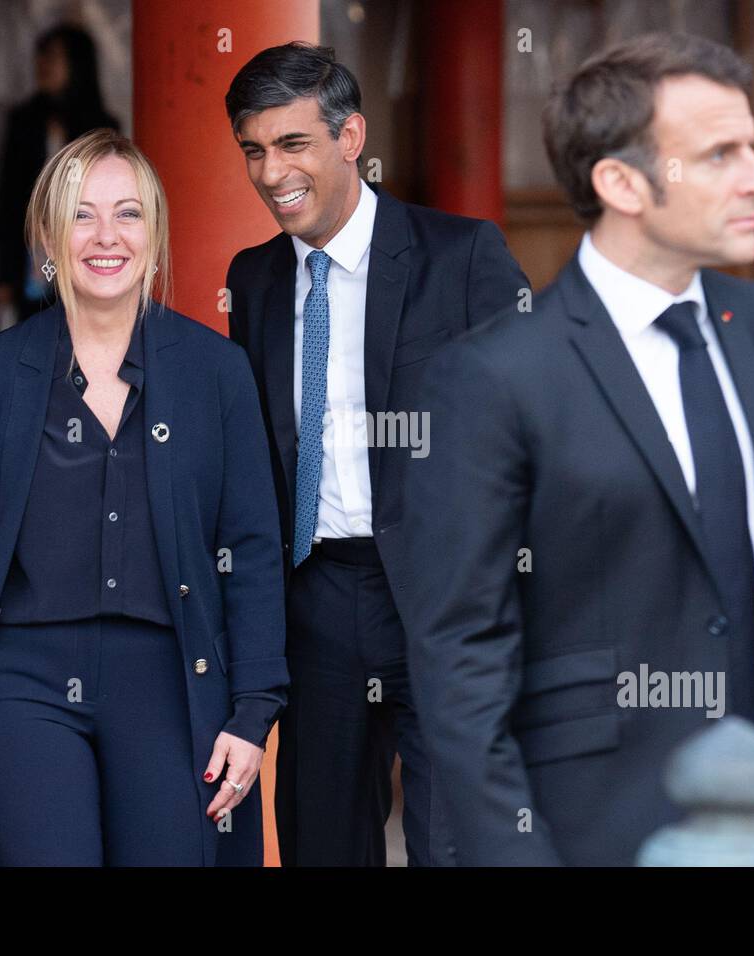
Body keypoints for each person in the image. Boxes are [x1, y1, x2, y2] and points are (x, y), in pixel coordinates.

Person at [400, 32, 754, 866]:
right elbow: (461, 672)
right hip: (604, 816)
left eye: (753, 146)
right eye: (722, 155)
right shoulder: (491, 376)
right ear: (621, 183)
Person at [0, 129, 287, 865]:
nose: (106, 236)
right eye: (82, 214)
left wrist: (254, 709)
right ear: (48, 233)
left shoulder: (217, 372)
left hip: (170, 681)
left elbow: (255, 549)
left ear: (156, 233)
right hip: (18, 680)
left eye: (128, 214)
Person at [223, 42, 529, 866]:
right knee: (322, 843)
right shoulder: (252, 281)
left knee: (454, 844)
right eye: (253, 150)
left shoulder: (461, 257)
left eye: (292, 145)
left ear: (351, 136)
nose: (270, 172)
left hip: (443, 600)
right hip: (315, 600)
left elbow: (537, 431)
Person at [0, 24, 120, 323]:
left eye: (52, 56)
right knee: (33, 331)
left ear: (76, 65)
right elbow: (7, 201)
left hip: (85, 243)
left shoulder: (102, 126)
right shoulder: (23, 121)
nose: (43, 64)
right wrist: (4, 275)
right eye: (41, 56)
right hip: (33, 253)